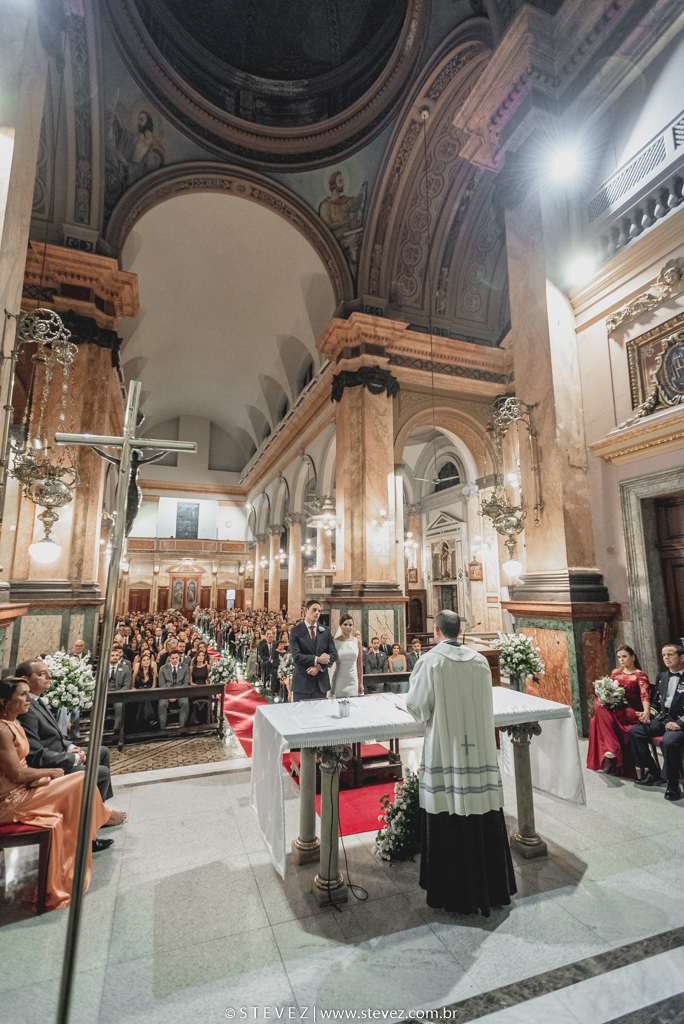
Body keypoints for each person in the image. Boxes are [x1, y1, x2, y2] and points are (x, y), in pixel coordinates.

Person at [406, 609, 516, 916]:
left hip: (447, 747)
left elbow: (418, 706)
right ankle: (492, 887)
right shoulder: (480, 661)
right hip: (478, 749)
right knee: (480, 806)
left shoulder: (430, 661)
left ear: (437, 631)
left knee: (449, 804)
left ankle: (453, 893)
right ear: (458, 630)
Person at [0, 678, 125, 910]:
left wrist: (42, 776)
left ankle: (91, 831)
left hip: (27, 787)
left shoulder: (14, 723)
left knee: (79, 781)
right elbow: (16, 773)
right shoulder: (2, 730)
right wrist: (50, 772)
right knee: (81, 779)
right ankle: (97, 823)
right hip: (11, 801)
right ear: (4, 701)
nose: (29, 699)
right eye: (23, 695)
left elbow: (23, 763)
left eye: (29, 693)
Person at [16, 659, 123, 823]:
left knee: (101, 752)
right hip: (48, 764)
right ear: (25, 679)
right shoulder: (26, 709)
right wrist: (70, 758)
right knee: (101, 773)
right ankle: (87, 825)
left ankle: (98, 810)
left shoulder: (37, 700)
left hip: (58, 751)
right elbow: (35, 754)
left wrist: (71, 747)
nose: (49, 676)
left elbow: (53, 736)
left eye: (48, 672)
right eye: (41, 674)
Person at [630, 644, 684, 800]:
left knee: (668, 742)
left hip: (680, 722)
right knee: (636, 732)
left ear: (682, 657)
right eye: (663, 655)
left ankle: (673, 784)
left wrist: (679, 724)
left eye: (670, 654)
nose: (666, 658)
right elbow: (655, 702)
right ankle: (654, 773)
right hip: (663, 718)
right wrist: (648, 715)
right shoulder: (662, 676)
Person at [586, 645, 650, 776]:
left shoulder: (639, 675)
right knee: (597, 710)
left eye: (624, 657)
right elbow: (609, 690)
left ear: (632, 657)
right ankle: (610, 751)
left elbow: (645, 695)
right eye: (619, 657)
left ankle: (612, 750)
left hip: (631, 710)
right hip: (615, 706)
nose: (621, 660)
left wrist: (646, 711)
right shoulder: (615, 672)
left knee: (598, 715)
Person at [289, 600, 337, 701]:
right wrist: (318, 659)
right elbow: (297, 656)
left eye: (319, 611)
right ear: (305, 610)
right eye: (314, 610)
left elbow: (333, 654)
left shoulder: (325, 630)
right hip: (302, 683)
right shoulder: (295, 631)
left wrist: (319, 666)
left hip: (321, 684)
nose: (317, 613)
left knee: (320, 715)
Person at [330, 613, 364, 697]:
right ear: (340, 625)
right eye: (345, 624)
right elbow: (330, 662)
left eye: (350, 625)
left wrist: (361, 683)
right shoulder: (335, 642)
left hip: (353, 679)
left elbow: (359, 664)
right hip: (339, 679)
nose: (348, 627)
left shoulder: (357, 642)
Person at [158, 649, 190, 729]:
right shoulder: (163, 668)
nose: (175, 660)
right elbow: (162, 684)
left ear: (179, 657)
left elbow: (185, 683)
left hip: (180, 692)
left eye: (176, 657)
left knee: (185, 703)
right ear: (169, 658)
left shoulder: (185, 667)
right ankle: (162, 728)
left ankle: (182, 727)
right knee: (162, 704)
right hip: (166, 692)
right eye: (173, 658)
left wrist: (177, 695)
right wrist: (169, 695)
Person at [130, 650, 158, 732]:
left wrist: (149, 691)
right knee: (143, 700)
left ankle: (142, 722)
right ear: (141, 663)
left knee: (146, 700)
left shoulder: (152, 672)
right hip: (139, 692)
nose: (146, 662)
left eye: (148, 660)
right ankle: (150, 720)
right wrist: (137, 691)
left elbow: (153, 686)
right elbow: (133, 686)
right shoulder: (136, 672)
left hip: (149, 692)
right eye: (144, 660)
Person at [108, 646, 132, 733]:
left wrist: (118, 693)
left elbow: (127, 685)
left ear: (119, 656)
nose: (115, 657)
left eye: (116, 655)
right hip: (105, 694)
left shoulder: (125, 669)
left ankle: (117, 729)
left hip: (118, 693)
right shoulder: (103, 668)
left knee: (120, 706)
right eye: (112, 655)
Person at [189, 649, 214, 725]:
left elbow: (209, 679)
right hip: (195, 688)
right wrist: (196, 686)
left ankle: (206, 721)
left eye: (202, 656)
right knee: (195, 703)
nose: (201, 657)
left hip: (205, 688)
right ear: (196, 657)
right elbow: (190, 682)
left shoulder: (207, 667)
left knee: (206, 702)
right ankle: (195, 721)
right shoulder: (192, 668)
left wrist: (208, 683)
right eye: (199, 655)